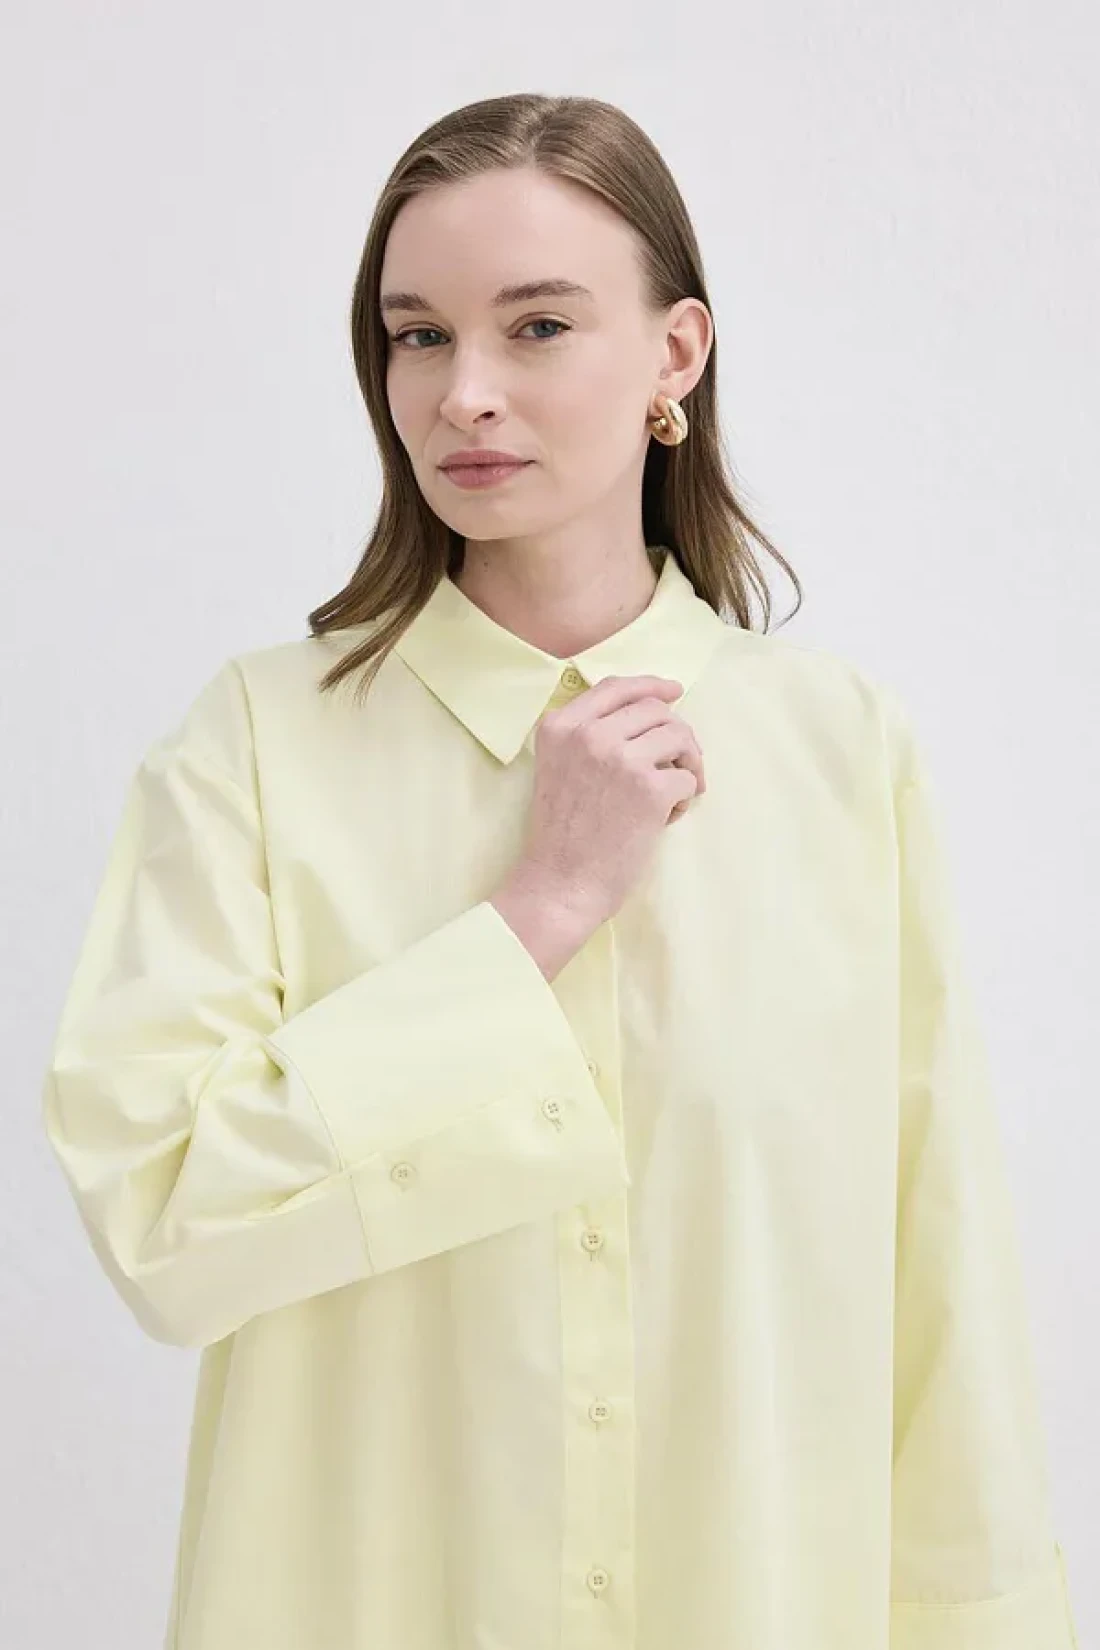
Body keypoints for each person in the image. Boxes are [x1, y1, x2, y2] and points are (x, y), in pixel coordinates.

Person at [40, 92, 1079, 1650]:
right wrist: (536, 914)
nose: (462, 393)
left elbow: (939, 1285)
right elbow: (165, 1224)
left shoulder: (842, 752)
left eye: (536, 327)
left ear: (676, 355)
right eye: (416, 335)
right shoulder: (254, 748)